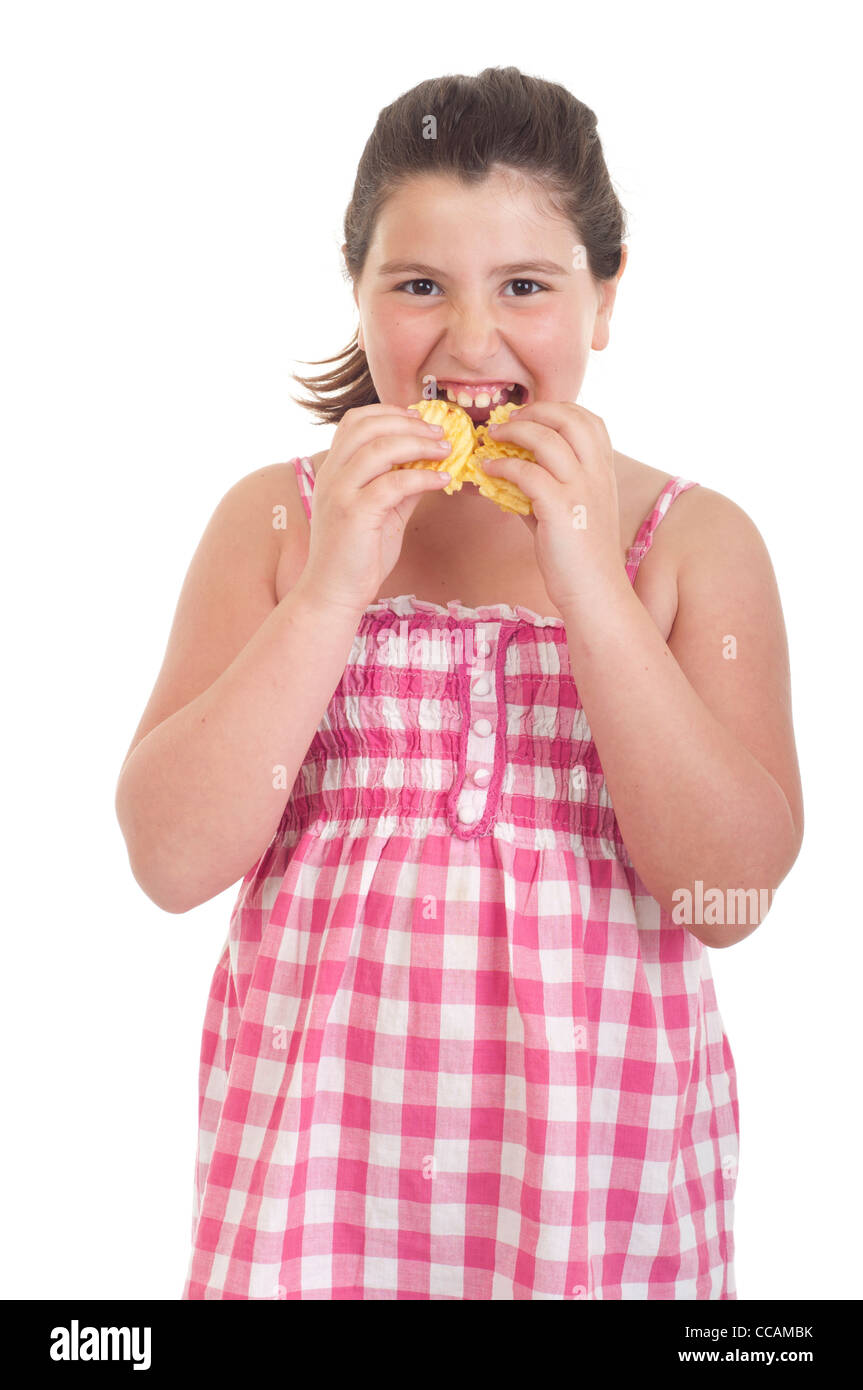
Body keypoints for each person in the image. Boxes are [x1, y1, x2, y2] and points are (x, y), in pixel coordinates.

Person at [115, 67, 804, 1300]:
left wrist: (589, 583)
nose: (471, 343)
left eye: (525, 286)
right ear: (360, 293)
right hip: (312, 1201)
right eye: (419, 285)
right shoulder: (277, 521)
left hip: (594, 1196)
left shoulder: (693, 546)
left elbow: (732, 891)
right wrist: (331, 592)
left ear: (604, 299)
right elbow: (169, 860)